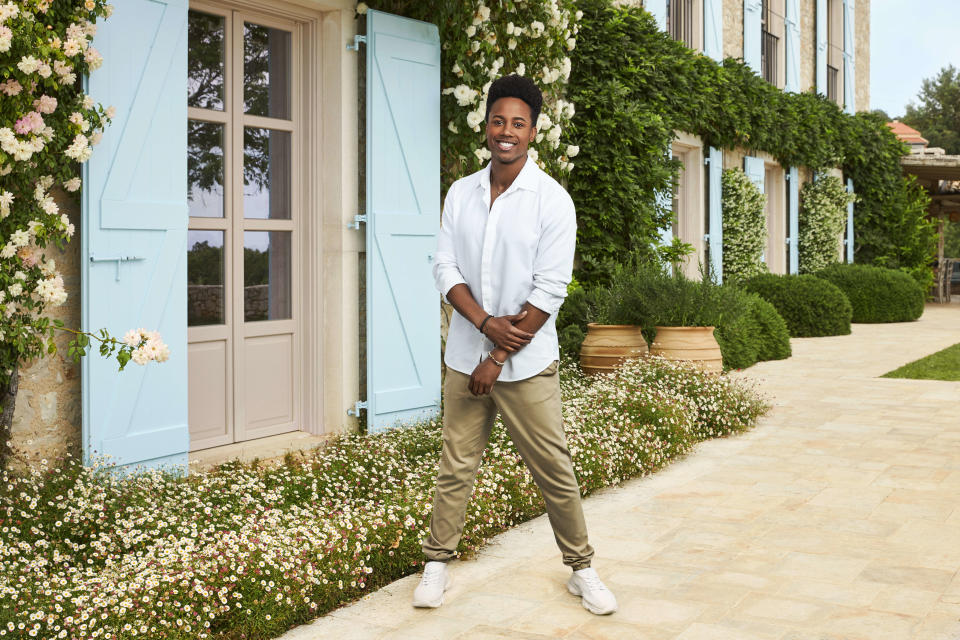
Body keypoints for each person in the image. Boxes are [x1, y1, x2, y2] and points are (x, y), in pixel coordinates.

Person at [412, 74, 617, 616]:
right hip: (464, 356)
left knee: (555, 469)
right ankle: (436, 563)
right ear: (486, 128)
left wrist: (499, 355)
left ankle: (582, 569)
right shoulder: (462, 192)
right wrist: (484, 328)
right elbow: (444, 267)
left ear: (533, 133)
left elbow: (550, 288)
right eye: (498, 121)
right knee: (456, 465)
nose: (506, 131)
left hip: (525, 363)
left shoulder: (552, 201)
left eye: (517, 123)